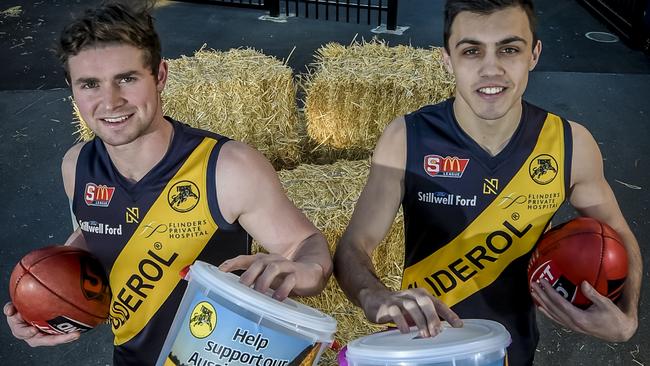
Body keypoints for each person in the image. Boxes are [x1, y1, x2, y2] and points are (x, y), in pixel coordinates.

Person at [4, 2, 332, 365]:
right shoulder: (77, 165)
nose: (110, 102)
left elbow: (306, 243)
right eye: (90, 84)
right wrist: (51, 307)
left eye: (126, 78)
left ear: (160, 75)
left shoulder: (227, 167)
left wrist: (305, 271)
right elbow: (95, 240)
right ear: (71, 88)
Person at [333, 0, 641, 365]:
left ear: (534, 54)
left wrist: (628, 318)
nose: (491, 69)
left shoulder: (571, 144)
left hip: (514, 352)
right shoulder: (407, 138)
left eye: (509, 49)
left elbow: (617, 232)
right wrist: (373, 295)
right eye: (471, 51)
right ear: (446, 59)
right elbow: (354, 245)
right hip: (424, 349)